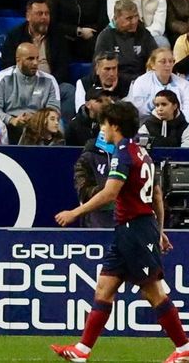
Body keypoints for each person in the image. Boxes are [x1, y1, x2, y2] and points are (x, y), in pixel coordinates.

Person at [52, 101, 189, 362]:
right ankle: (82, 350)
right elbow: (157, 195)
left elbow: (110, 193)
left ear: (114, 125)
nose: (102, 129)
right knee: (104, 287)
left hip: (135, 229)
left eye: (104, 124)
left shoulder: (123, 153)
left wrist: (75, 213)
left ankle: (184, 347)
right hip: (134, 228)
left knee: (152, 291)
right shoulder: (142, 153)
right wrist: (159, 231)